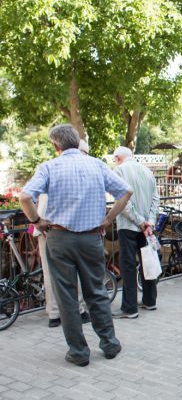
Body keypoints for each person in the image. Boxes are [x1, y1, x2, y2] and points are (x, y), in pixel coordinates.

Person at [19, 124, 132, 367]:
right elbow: (126, 192)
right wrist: (109, 218)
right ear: (77, 141)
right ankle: (109, 343)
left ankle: (79, 352)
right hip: (92, 238)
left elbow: (25, 197)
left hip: (59, 239)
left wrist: (37, 221)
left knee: (67, 297)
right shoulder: (97, 165)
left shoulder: (49, 167)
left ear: (55, 145)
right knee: (97, 292)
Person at [35, 138, 92, 328]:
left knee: (52, 272)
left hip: (49, 227)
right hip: (60, 228)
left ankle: (55, 314)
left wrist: (37, 222)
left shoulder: (51, 167)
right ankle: (76, 310)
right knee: (73, 271)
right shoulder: (79, 170)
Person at [112, 146, 160, 319]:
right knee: (147, 262)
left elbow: (122, 202)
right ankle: (150, 300)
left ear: (118, 157)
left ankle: (130, 308)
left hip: (128, 225)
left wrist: (140, 221)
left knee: (128, 266)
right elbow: (156, 199)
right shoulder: (147, 171)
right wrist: (150, 222)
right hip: (146, 227)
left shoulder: (118, 171)